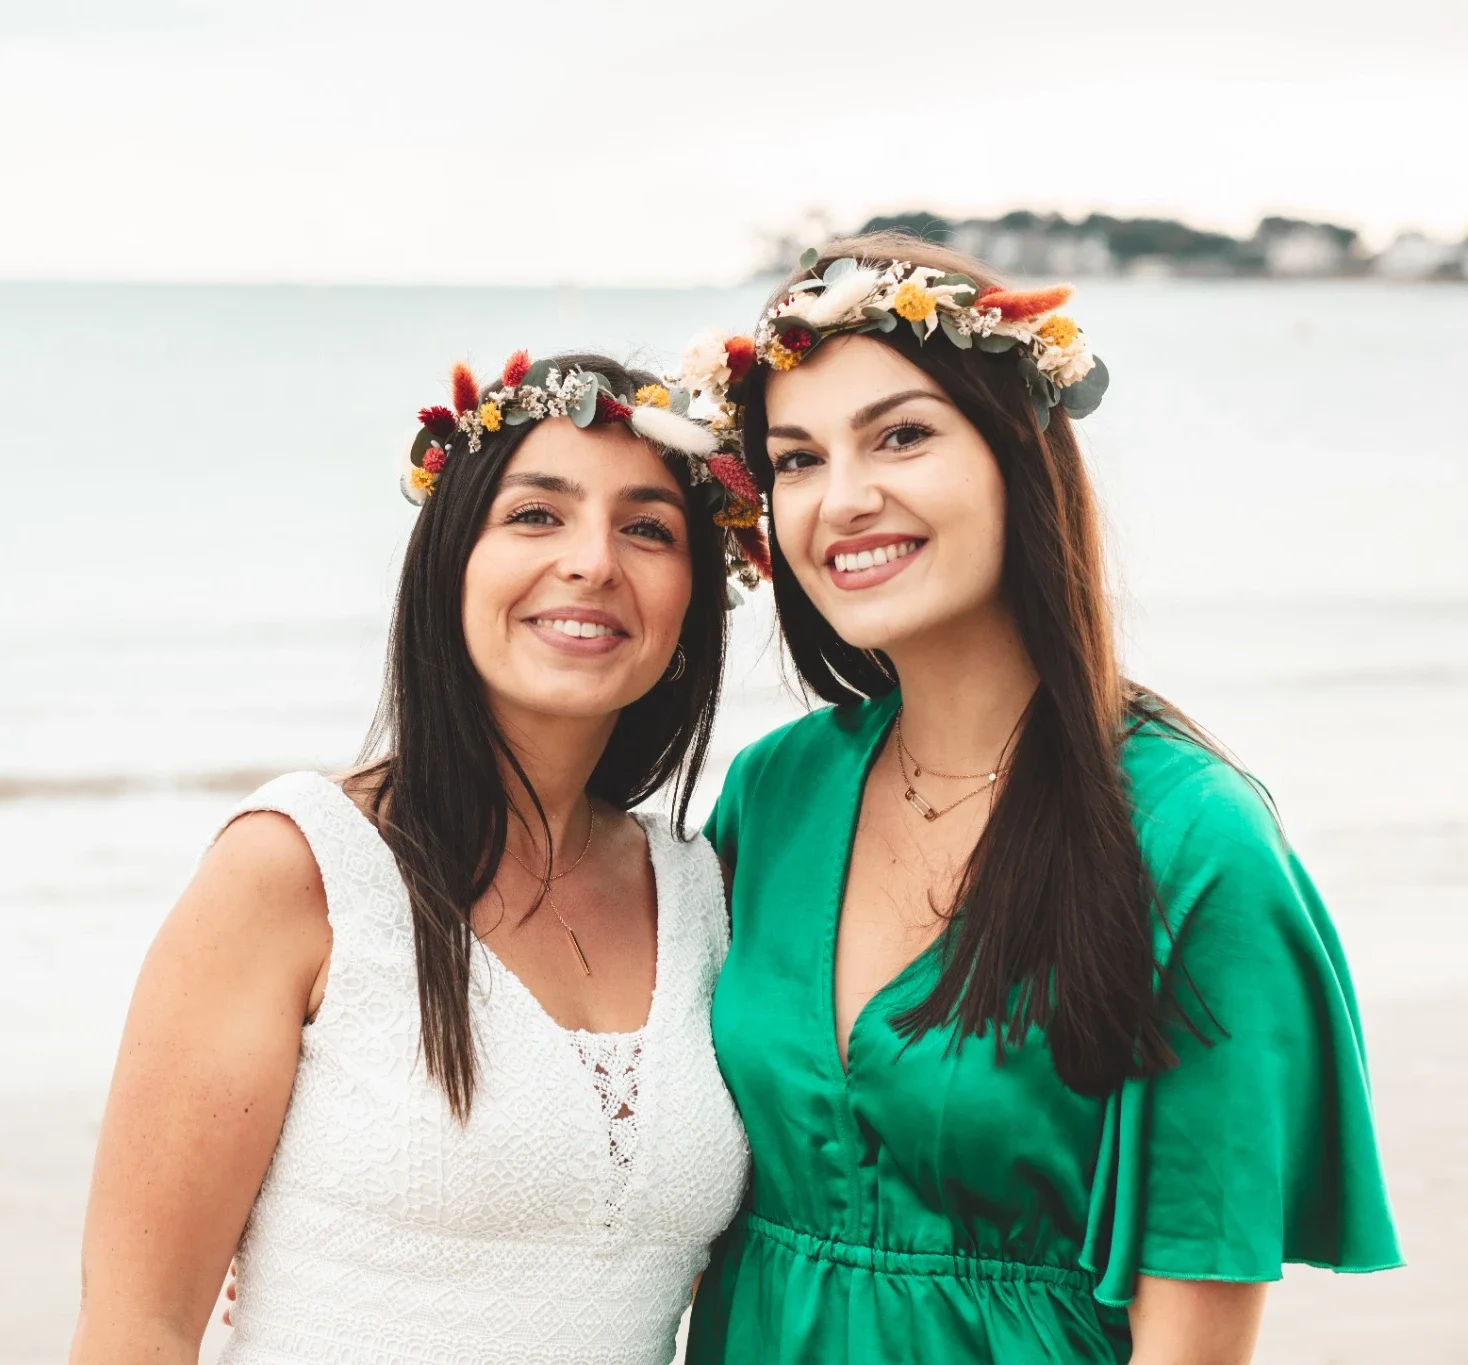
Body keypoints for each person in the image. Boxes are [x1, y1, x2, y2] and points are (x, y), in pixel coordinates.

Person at [673, 236, 1403, 1363]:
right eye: (796, 460)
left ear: (1018, 452)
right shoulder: (774, 793)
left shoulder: (1189, 838)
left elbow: (1193, 1327)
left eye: (902, 435)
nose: (842, 500)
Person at [70, 352, 764, 1365]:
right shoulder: (299, 870)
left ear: (690, 609)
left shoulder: (705, 895)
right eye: (536, 515)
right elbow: (140, 1325)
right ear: (449, 568)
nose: (592, 563)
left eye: (648, 529)